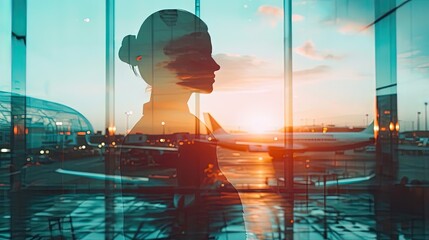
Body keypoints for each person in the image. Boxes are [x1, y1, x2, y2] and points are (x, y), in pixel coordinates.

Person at [118, 9, 246, 239]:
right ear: (168, 62)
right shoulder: (170, 131)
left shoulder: (180, 125)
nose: (215, 66)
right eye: (204, 55)